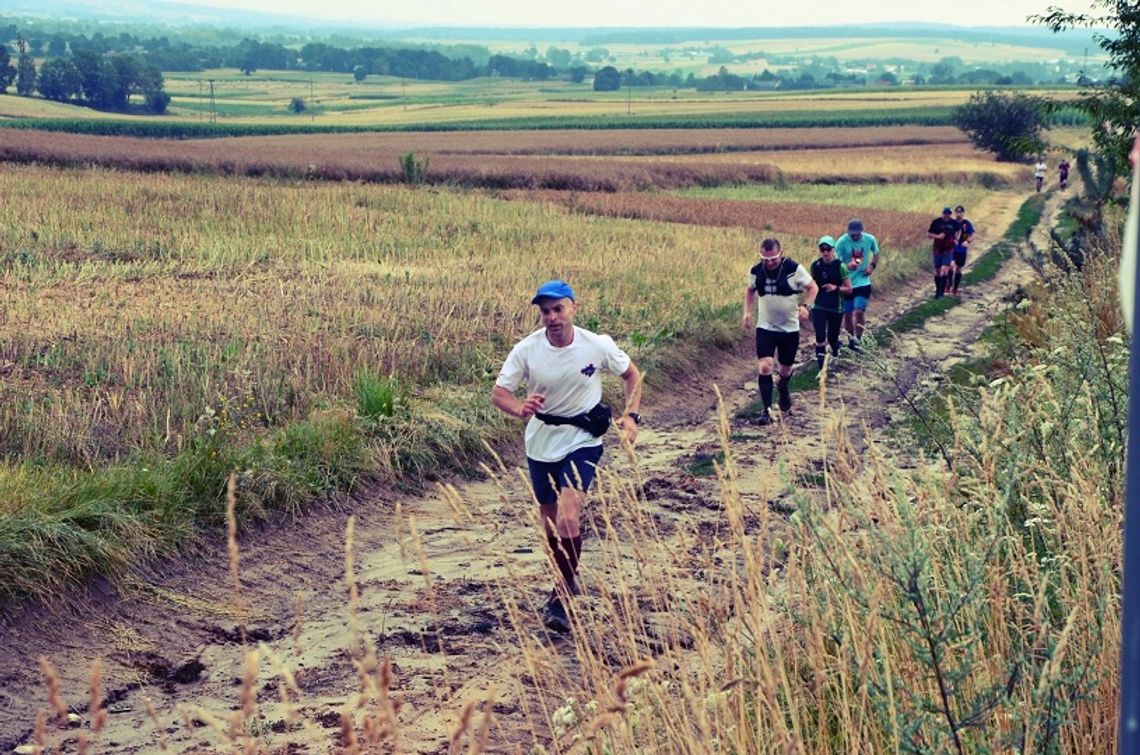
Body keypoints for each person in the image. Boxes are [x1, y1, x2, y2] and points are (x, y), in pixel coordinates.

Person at [491, 280, 642, 633]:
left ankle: (561, 596)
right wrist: (518, 408)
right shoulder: (526, 350)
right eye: (545, 311)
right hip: (541, 440)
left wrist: (631, 416)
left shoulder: (597, 345)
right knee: (550, 523)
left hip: (583, 438)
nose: (552, 317)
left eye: (558, 309)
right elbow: (499, 392)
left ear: (573, 307)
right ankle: (567, 575)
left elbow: (632, 375)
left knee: (569, 520)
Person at [741, 238, 819, 425]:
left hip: (789, 329)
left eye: (773, 259)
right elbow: (750, 290)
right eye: (765, 259)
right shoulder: (755, 271)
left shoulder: (794, 269)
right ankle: (766, 411)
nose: (769, 263)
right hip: (766, 327)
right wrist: (747, 312)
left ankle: (783, 387)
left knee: (785, 369)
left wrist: (806, 306)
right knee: (765, 366)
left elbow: (813, 287)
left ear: (781, 253)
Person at [834, 218, 879, 353]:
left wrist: (872, 266)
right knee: (847, 315)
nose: (853, 236)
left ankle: (859, 339)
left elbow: (876, 252)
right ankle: (851, 340)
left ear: (861, 231)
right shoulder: (842, 241)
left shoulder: (869, 239)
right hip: (847, 283)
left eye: (856, 233)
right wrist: (847, 266)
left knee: (858, 311)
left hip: (863, 282)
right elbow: (836, 262)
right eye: (851, 233)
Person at [809, 235, 852, 368]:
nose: (826, 252)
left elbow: (849, 289)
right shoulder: (815, 265)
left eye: (828, 249)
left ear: (833, 250)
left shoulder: (841, 266)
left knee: (833, 337)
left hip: (835, 306)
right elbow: (811, 284)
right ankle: (821, 367)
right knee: (820, 336)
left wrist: (836, 288)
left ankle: (835, 353)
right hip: (819, 305)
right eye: (823, 249)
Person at [927, 206, 959, 299]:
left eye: (948, 214)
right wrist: (938, 236)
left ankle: (941, 292)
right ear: (942, 213)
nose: (947, 216)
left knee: (944, 269)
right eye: (945, 214)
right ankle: (938, 290)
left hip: (949, 249)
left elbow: (959, 230)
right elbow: (929, 234)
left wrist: (956, 238)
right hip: (938, 248)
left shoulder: (954, 223)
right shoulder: (936, 222)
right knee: (937, 271)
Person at [950, 204, 975, 297]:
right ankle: (948, 286)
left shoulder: (966, 223)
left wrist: (968, 241)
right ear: (955, 212)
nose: (959, 213)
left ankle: (955, 289)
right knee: (951, 266)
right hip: (952, 249)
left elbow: (972, 234)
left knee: (959, 269)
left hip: (962, 250)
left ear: (963, 213)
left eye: (961, 212)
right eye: (957, 211)